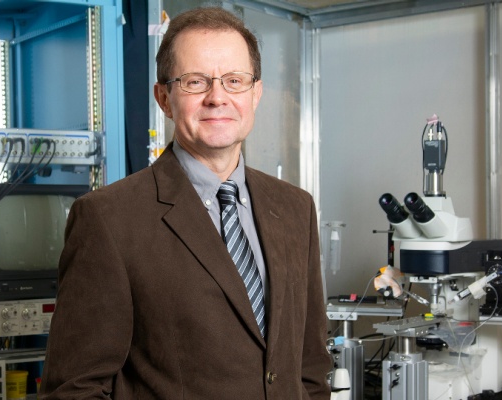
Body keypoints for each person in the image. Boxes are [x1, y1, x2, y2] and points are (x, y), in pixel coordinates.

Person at [40, 7, 331, 399]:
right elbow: (74, 390)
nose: (217, 98)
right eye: (195, 82)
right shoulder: (108, 219)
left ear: (256, 93)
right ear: (164, 98)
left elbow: (310, 371)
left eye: (234, 81)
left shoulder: (295, 208)